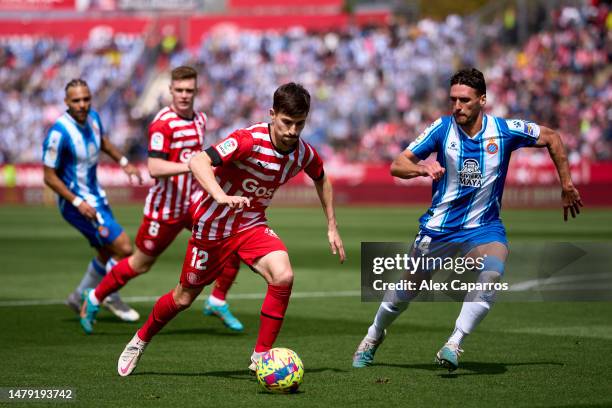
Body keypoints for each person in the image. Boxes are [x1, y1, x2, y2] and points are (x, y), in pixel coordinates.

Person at [352, 68, 583, 371]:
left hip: (483, 228)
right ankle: (373, 334)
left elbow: (552, 137)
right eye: (453, 99)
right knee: (405, 292)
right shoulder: (441, 129)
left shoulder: (503, 130)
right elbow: (398, 164)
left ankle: (454, 343)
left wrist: (566, 184)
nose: (457, 106)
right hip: (438, 229)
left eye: (465, 100)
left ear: (483, 100)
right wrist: (423, 169)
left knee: (492, 273)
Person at [116, 82, 346, 377]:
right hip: (212, 226)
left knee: (284, 275)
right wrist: (220, 195)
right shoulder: (247, 140)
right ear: (272, 114)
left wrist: (332, 226)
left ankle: (261, 357)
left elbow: (322, 177)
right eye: (287, 122)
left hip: (251, 225)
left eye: (299, 124)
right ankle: (140, 339)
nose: (292, 131)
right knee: (183, 298)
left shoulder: (303, 153)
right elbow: (198, 159)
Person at [79, 66, 243, 334]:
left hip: (194, 204)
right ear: (170, 90)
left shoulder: (200, 119)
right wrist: (190, 165)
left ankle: (217, 300)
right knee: (140, 264)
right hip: (164, 210)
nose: (184, 95)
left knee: (231, 242)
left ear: (196, 91)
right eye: (179, 90)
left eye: (189, 90)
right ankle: (94, 297)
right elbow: (154, 167)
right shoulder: (162, 123)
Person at [43, 79, 143, 323]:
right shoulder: (59, 133)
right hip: (77, 205)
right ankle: (108, 294)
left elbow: (104, 142)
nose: (82, 104)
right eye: (76, 100)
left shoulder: (94, 118)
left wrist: (123, 163)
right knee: (124, 248)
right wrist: (78, 202)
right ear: (66, 102)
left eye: (86, 99)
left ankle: (78, 297)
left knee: (104, 252)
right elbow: (49, 177)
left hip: (96, 196)